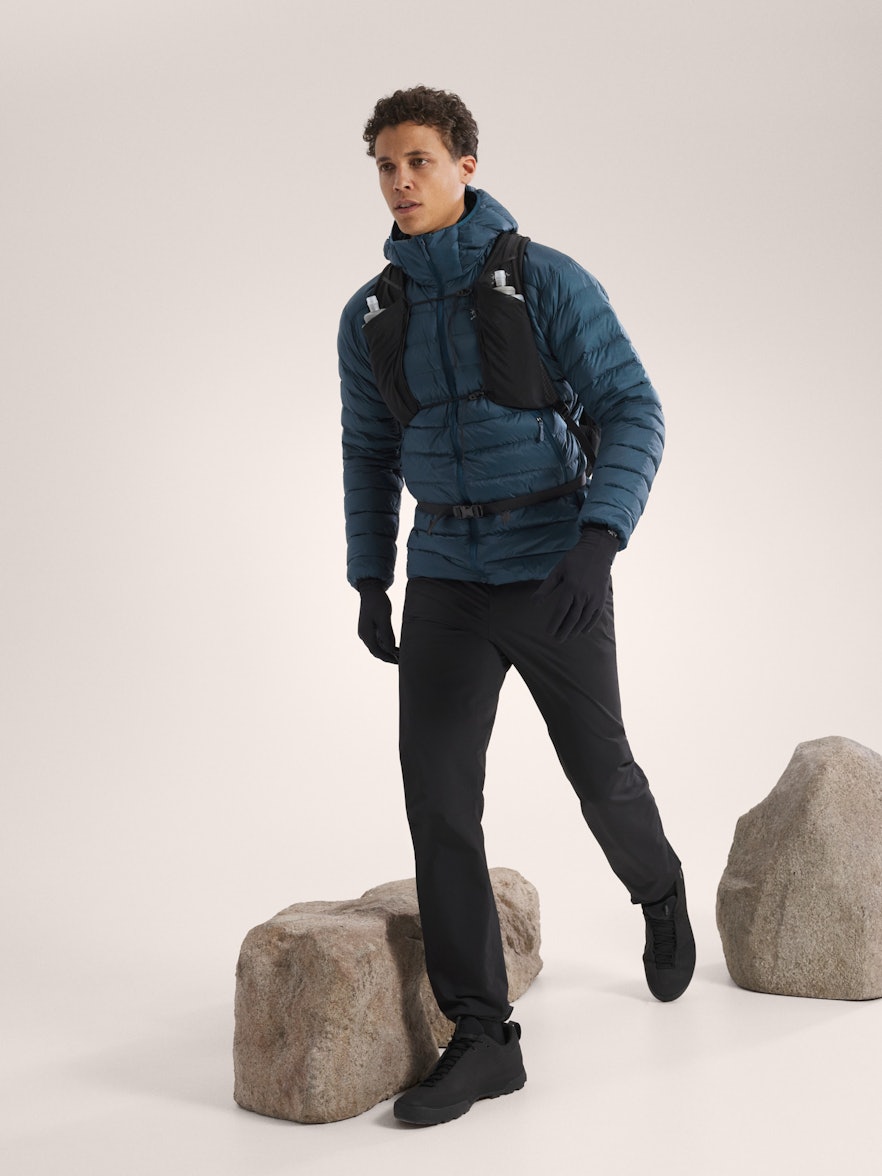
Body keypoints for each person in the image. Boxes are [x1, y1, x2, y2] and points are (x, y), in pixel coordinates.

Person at [338, 86, 695, 1127]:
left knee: (600, 774)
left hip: (551, 567)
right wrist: (370, 576)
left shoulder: (543, 278)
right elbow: (367, 450)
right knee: (439, 800)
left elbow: (633, 407)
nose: (400, 181)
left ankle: (659, 888)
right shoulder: (371, 314)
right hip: (445, 574)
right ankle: (484, 1035)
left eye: (418, 160)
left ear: (465, 165)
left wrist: (600, 538)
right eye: (385, 166)